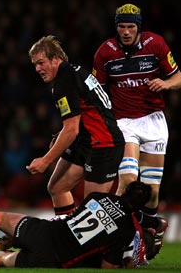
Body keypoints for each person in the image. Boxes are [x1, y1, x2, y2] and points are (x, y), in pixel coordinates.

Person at [0, 182, 165, 268]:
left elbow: (73, 218)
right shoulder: (128, 229)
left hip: (46, 230)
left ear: (124, 190)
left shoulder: (98, 196)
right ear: (140, 207)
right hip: (54, 256)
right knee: (1, 261)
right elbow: (107, 265)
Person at [92, 3, 181, 251]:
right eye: (122, 27)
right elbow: (96, 91)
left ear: (139, 27)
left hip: (153, 121)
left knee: (152, 193)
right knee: (129, 183)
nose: (126, 32)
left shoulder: (156, 45)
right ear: (116, 28)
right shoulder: (105, 52)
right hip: (124, 124)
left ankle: (150, 233)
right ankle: (118, 241)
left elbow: (179, 77)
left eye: (131, 26)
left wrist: (166, 85)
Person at [25, 35, 125, 217]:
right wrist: (61, 134)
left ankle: (146, 227)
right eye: (35, 64)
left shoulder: (65, 81)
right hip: (86, 140)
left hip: (104, 144)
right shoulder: (73, 71)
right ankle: (67, 235)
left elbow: (71, 129)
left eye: (41, 63)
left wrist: (45, 161)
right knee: (57, 187)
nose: (37, 69)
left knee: (93, 210)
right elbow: (84, 115)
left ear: (55, 59)